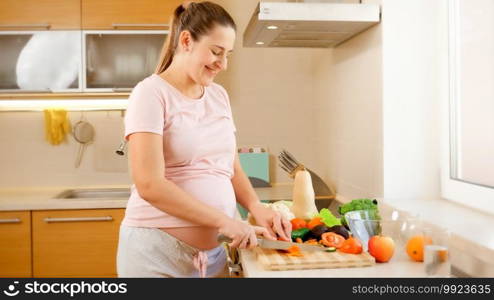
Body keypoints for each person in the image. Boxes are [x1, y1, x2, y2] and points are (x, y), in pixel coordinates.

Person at [116, 1, 292, 278]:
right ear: (186, 40)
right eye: (216, 52)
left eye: (228, 55)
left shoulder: (218, 96)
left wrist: (256, 206)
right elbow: (149, 184)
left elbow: (230, 167)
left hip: (213, 258)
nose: (222, 64)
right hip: (156, 255)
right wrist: (225, 221)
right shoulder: (150, 93)